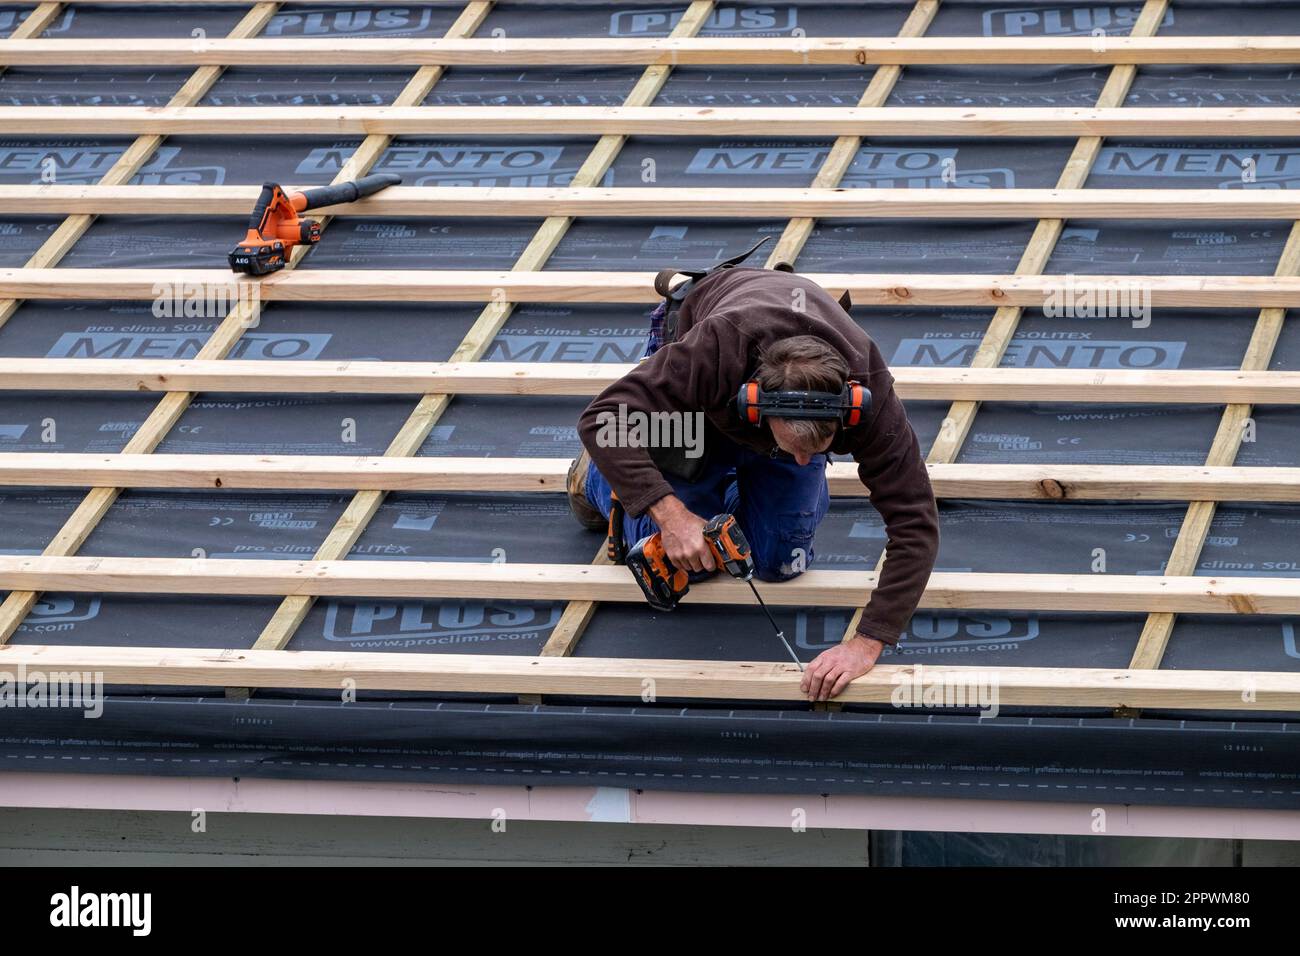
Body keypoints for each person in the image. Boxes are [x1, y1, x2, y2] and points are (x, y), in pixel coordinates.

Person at [567, 264, 939, 701]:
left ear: (847, 413)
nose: (806, 460)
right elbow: (602, 416)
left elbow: (915, 523)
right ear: (758, 408)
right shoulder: (713, 351)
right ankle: (596, 476)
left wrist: (868, 641)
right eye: (797, 447)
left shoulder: (870, 399)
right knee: (685, 555)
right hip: (701, 408)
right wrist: (671, 514)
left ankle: (715, 488)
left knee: (780, 563)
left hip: (767, 404)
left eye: (817, 451)